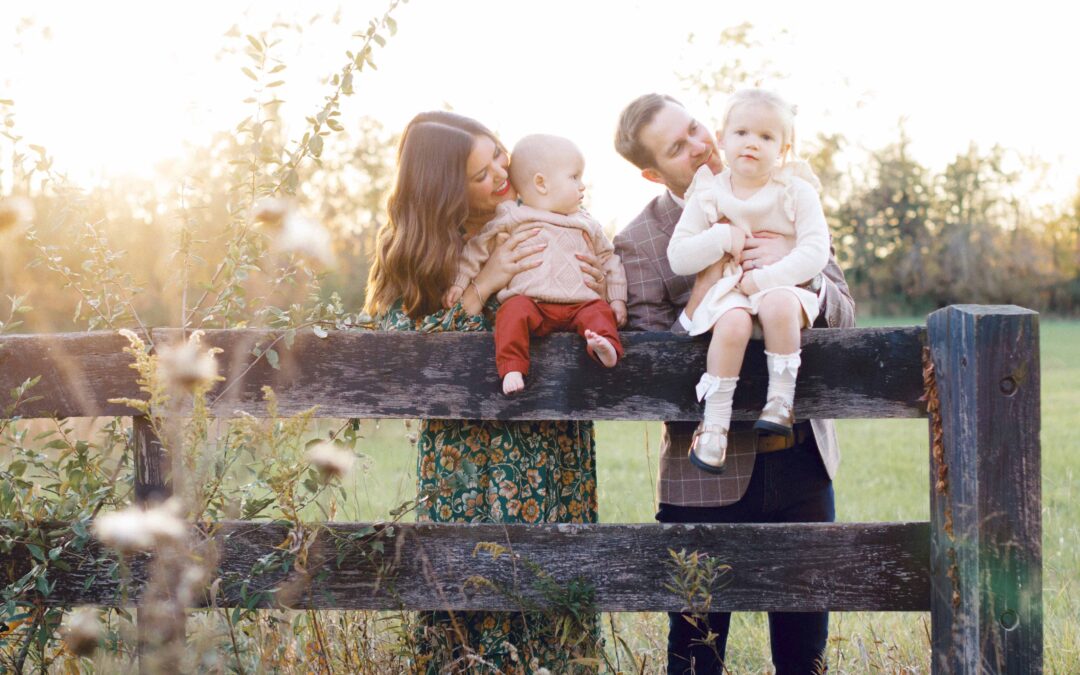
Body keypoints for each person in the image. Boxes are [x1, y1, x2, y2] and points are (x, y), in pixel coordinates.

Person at [613, 93, 856, 674]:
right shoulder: (641, 243)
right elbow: (645, 376)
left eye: (696, 127)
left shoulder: (789, 189)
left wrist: (796, 271)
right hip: (704, 479)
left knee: (804, 657)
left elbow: (846, 314)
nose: (700, 145)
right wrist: (702, 294)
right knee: (696, 658)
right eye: (677, 146)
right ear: (652, 171)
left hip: (799, 457)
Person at [365, 111, 603, 673]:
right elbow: (399, 352)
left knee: (551, 580)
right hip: (465, 456)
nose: (502, 172)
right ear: (445, 188)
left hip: (548, 441)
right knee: (467, 577)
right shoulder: (419, 250)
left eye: (498, 154)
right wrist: (484, 284)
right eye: (481, 172)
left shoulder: (547, 220)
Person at [666, 89, 830, 473]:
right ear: (721, 139)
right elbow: (679, 256)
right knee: (733, 322)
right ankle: (715, 426)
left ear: (784, 149)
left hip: (783, 288)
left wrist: (767, 279)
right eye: (741, 133)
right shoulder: (709, 193)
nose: (752, 143)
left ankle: (780, 401)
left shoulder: (796, 191)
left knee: (777, 304)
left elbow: (815, 253)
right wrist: (722, 238)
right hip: (731, 292)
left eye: (766, 137)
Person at [448, 133, 627, 395]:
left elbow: (609, 259)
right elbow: (477, 249)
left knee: (598, 312)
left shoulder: (585, 221)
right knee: (511, 312)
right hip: (534, 306)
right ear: (541, 183)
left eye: (499, 155)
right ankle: (512, 366)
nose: (582, 186)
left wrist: (617, 300)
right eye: (574, 177)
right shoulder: (514, 216)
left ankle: (605, 348)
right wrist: (461, 281)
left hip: (579, 305)